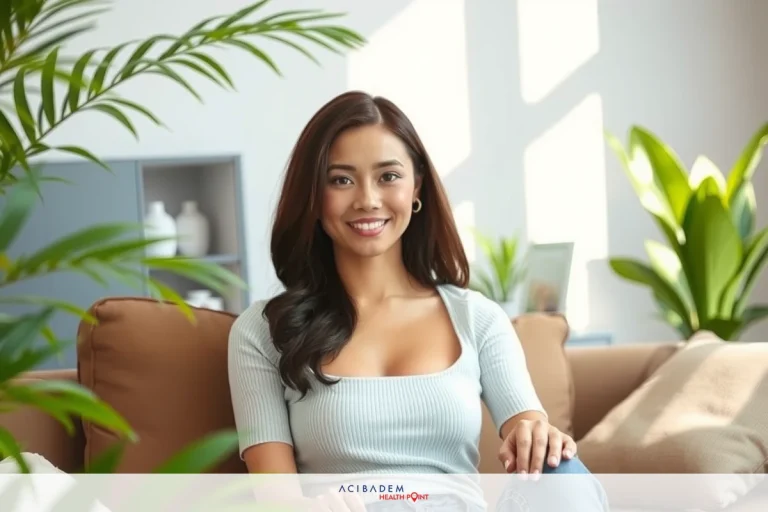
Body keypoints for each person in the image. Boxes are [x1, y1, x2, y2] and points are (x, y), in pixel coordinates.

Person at [227, 91, 608, 511]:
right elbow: (276, 500)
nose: (368, 199)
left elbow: (528, 428)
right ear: (314, 197)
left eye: (388, 176)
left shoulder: (476, 317)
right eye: (341, 179)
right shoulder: (263, 331)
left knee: (562, 475)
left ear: (416, 186)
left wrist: (539, 435)